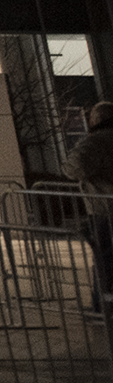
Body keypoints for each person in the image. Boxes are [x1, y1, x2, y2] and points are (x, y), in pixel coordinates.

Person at [74, 100, 113, 312]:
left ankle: (102, 306)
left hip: (103, 208)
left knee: (103, 257)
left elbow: (72, 168)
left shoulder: (95, 142)